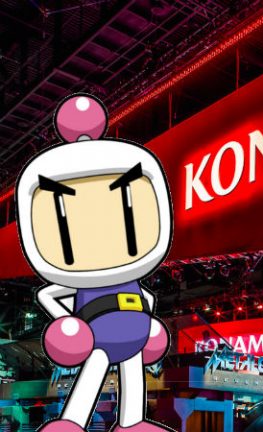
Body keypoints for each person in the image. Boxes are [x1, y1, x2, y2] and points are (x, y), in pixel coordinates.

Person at [16, 94, 175, 432]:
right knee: (93, 374)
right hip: (99, 334)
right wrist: (68, 323)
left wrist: (150, 325)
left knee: (133, 379)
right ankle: (72, 422)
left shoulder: (132, 279)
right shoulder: (79, 282)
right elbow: (48, 294)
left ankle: (132, 424)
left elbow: (147, 298)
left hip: (133, 333)